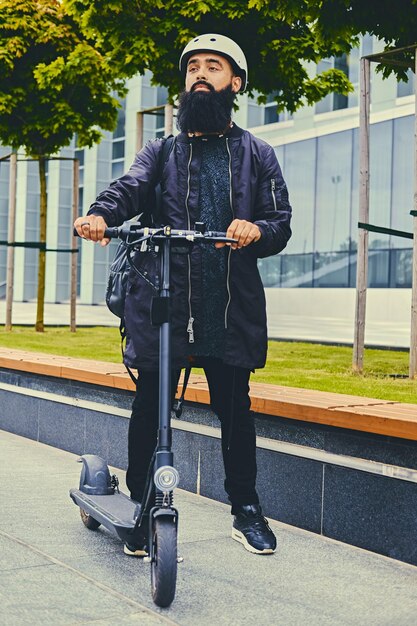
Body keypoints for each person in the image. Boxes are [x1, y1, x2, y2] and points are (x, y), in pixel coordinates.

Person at [74, 33, 292, 556]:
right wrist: (102, 216)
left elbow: (280, 223)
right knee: (150, 406)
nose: (200, 73)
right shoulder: (162, 151)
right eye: (193, 66)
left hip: (228, 307)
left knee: (235, 410)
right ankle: (143, 502)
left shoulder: (258, 154)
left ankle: (246, 509)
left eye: (213, 66)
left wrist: (256, 230)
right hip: (164, 303)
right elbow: (128, 188)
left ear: (234, 83)